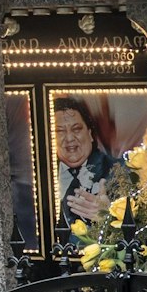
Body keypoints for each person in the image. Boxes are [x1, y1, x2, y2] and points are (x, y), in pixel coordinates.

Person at [54, 96, 118, 235]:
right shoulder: (37, 178)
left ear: (90, 134)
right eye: (59, 131)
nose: (69, 138)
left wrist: (109, 216)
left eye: (76, 129)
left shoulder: (118, 171)